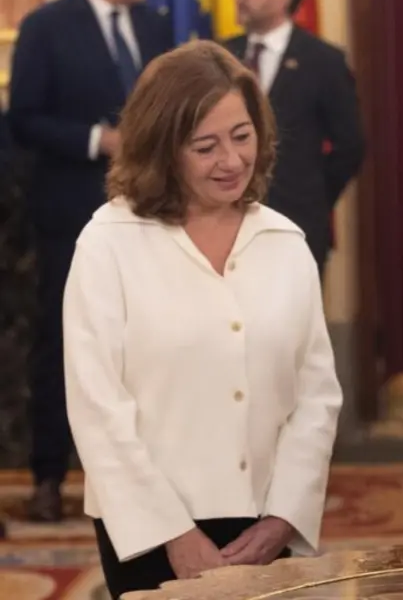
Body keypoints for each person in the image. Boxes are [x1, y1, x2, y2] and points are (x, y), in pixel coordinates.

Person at [62, 41, 343, 599]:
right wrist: (173, 533)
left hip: (265, 526)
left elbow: (316, 396)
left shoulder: (285, 243)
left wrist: (283, 517)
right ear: (162, 149)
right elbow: (97, 407)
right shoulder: (108, 243)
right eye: (205, 147)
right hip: (145, 529)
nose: (232, 160)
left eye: (242, 136)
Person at [7, 0, 174, 521]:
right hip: (70, 214)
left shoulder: (155, 27)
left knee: (152, 343)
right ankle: (50, 476)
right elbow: (23, 119)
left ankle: (152, 475)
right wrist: (95, 140)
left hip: (152, 214)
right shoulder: (48, 26)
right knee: (62, 343)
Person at [223, 0, 365, 274]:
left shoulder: (323, 60)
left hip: (298, 221)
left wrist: (314, 194)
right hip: (227, 223)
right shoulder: (222, 55)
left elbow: (350, 144)